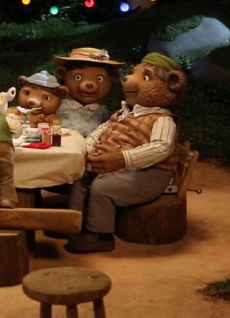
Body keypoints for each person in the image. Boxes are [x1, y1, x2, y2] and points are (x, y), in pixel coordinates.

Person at [66, 52, 187, 253]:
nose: (129, 79)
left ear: (170, 85)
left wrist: (123, 159)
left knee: (103, 188)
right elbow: (102, 130)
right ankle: (72, 224)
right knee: (81, 178)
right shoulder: (125, 113)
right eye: (133, 73)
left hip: (149, 173)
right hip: (120, 167)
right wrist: (86, 148)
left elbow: (161, 148)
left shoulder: (162, 119)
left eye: (145, 77)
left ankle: (101, 235)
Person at [54, 47, 125, 137]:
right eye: (78, 77)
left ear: (113, 78)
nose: (89, 84)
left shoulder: (102, 111)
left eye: (99, 79)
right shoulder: (57, 104)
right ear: (62, 74)